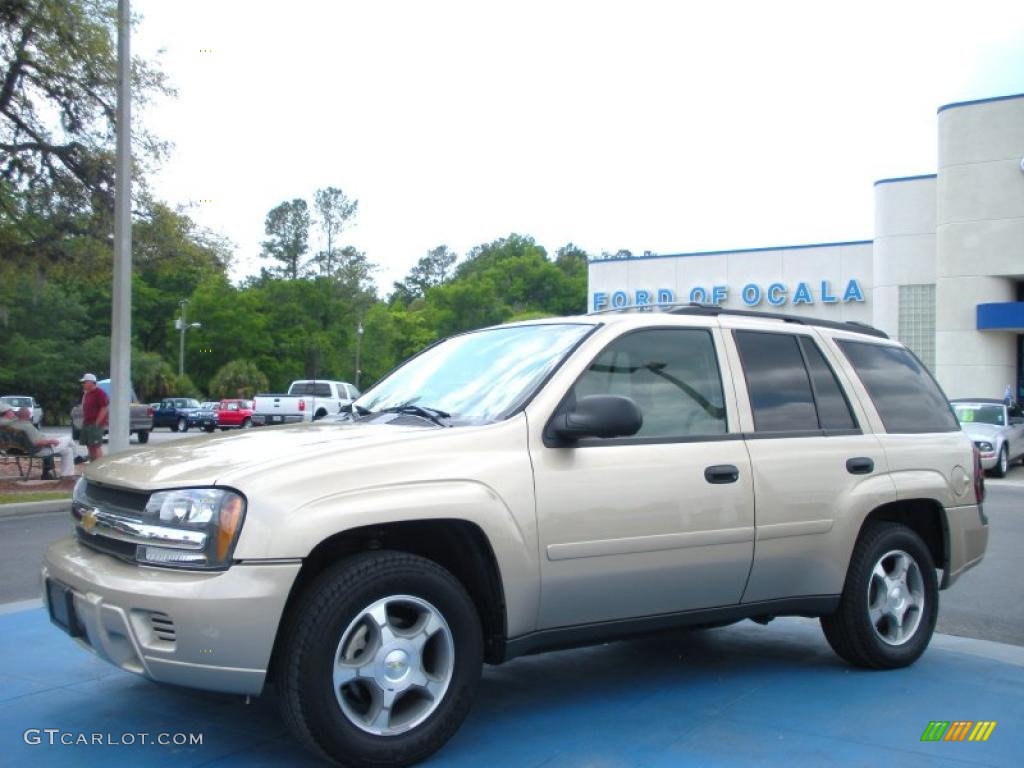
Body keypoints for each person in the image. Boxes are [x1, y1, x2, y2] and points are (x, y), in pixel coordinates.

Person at [0, 402, 76, 479]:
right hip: (39, 450)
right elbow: (37, 443)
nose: (13, 413)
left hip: (21, 449)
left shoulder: (10, 424)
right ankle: (76, 458)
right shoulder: (26, 426)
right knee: (68, 438)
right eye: (11, 411)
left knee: (68, 450)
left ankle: (66, 475)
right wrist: (50, 442)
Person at [79, 372, 109, 461]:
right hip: (87, 422)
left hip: (95, 423)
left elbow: (104, 408)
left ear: (91, 382)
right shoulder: (87, 394)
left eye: (85, 382)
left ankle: (99, 465)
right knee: (89, 445)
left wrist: (97, 423)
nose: (83, 384)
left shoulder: (99, 393)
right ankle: (93, 463)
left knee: (96, 446)